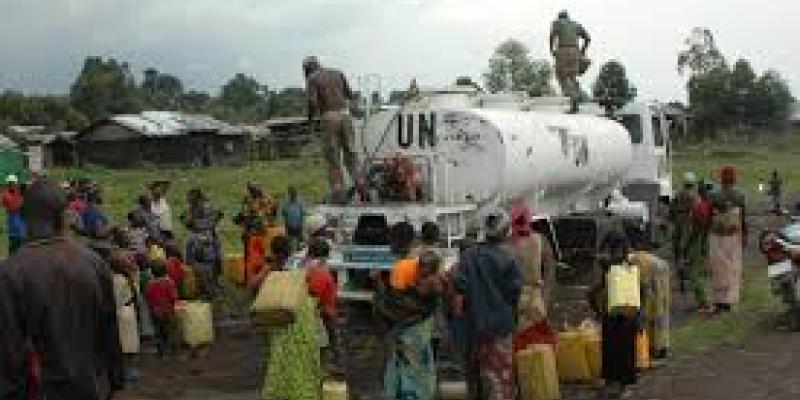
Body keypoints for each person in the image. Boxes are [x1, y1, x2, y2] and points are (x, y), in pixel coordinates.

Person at [0, 179, 123, 400]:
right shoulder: (94, 262)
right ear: (63, 217)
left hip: (43, 391)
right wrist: (114, 378)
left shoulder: (10, 273)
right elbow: (109, 328)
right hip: (93, 387)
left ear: (24, 217)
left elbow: (9, 351)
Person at [455, 211, 522, 400]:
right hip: (499, 327)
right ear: (506, 231)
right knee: (500, 377)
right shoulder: (508, 258)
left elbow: (459, 288)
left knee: (475, 375)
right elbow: (514, 294)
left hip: (474, 326)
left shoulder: (468, 256)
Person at [377, 223, 442, 400]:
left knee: (407, 366)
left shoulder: (402, 267)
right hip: (422, 326)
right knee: (420, 365)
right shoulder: (427, 260)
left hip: (409, 330)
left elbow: (395, 305)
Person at [589, 230, 639, 399]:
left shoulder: (608, 264)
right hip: (624, 314)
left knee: (616, 349)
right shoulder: (629, 264)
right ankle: (619, 383)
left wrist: (595, 305)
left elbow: (595, 289)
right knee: (619, 349)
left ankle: (618, 383)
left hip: (616, 314)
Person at [303, 55, 358, 204]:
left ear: (308, 69)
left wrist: (310, 120)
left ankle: (338, 193)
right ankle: (360, 185)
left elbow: (312, 102)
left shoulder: (312, 78)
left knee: (333, 158)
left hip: (329, 117)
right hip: (346, 115)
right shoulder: (338, 73)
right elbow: (349, 95)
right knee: (351, 153)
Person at [672, 172, 712, 313]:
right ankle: (702, 301)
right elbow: (703, 224)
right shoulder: (697, 200)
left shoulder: (679, 197)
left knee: (691, 271)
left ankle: (704, 302)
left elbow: (673, 217)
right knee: (694, 270)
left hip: (685, 237)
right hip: (693, 238)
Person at [709, 166, 746, 312]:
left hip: (717, 235)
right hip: (734, 235)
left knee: (718, 268)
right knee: (733, 267)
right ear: (734, 178)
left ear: (721, 178)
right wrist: (744, 235)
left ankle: (719, 301)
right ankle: (730, 300)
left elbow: (709, 215)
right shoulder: (740, 195)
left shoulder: (713, 195)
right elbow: (743, 217)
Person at [508, 201, 551, 329]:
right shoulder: (541, 241)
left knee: (517, 341)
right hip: (536, 297)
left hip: (513, 300)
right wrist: (545, 299)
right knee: (534, 341)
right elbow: (549, 273)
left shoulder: (506, 244)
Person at [182, 188, 223, 300]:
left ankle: (212, 287)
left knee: (212, 263)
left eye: (192, 199)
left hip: (207, 237)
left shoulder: (208, 208)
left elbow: (218, 216)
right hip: (196, 239)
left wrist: (207, 227)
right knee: (196, 264)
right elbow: (186, 222)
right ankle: (204, 289)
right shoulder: (189, 210)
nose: (190, 202)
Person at [109, 249, 141, 383]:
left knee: (124, 344)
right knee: (129, 344)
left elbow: (115, 300)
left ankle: (126, 374)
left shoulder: (117, 280)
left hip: (123, 313)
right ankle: (129, 373)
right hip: (128, 312)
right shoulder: (127, 278)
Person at [549, 10, 590, 113]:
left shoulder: (557, 23)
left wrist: (552, 50)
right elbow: (588, 38)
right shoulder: (576, 24)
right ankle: (574, 103)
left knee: (561, 75)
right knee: (572, 77)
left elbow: (552, 36)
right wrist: (582, 51)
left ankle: (572, 96)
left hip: (563, 51)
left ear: (560, 17)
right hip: (575, 52)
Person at [146, 259, 180, 357]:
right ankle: (170, 349)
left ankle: (161, 350)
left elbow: (148, 296)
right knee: (169, 329)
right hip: (168, 310)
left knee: (158, 330)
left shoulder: (150, 284)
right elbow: (174, 297)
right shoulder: (169, 282)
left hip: (155, 311)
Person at [1, 174, 25, 254]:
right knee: (13, 249)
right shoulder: (5, 195)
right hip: (13, 226)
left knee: (22, 250)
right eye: (10, 183)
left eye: (13, 183)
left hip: (22, 227)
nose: (11, 185)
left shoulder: (21, 193)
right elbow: (11, 206)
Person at [282, 185, 306, 251]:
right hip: (289, 226)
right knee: (289, 244)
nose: (293, 195)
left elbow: (302, 214)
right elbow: (284, 214)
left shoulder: (299, 203)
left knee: (300, 244)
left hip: (298, 226)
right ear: (289, 194)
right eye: (291, 193)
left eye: (294, 193)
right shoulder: (286, 204)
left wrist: (301, 225)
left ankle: (298, 252)